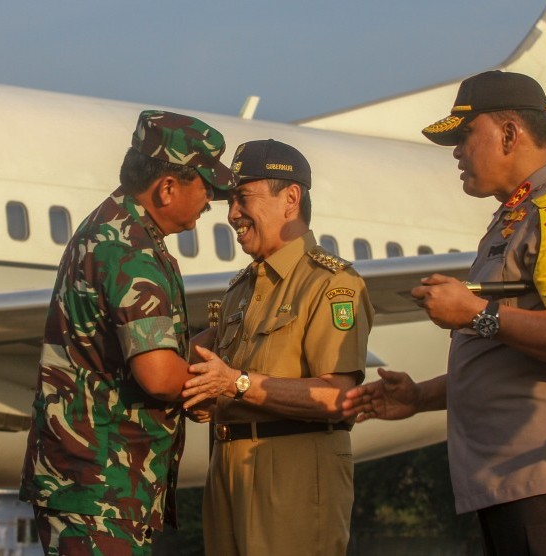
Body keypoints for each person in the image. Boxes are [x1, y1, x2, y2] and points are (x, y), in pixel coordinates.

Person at [343, 71, 546, 555]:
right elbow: (506, 359)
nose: (456, 152)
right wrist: (419, 396)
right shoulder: (514, 219)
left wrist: (475, 313)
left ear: (510, 134)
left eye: (465, 135)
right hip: (513, 481)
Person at [19, 110, 234, 555]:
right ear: (168, 186)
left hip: (98, 486)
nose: (210, 201)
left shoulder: (115, 229)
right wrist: (226, 387)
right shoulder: (129, 249)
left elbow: (141, 351)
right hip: (101, 487)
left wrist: (211, 341)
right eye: (205, 187)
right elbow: (158, 374)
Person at [180, 139, 374, 556]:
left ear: (290, 199)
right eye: (229, 201)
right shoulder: (240, 290)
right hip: (229, 474)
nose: (232, 214)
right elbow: (229, 385)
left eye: (242, 198)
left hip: (293, 479)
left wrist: (235, 384)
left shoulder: (331, 283)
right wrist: (206, 396)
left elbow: (339, 396)